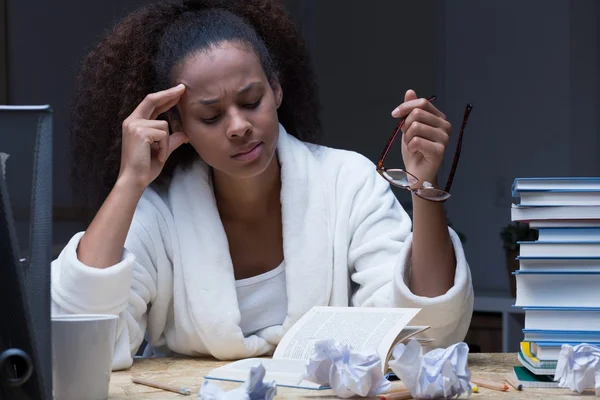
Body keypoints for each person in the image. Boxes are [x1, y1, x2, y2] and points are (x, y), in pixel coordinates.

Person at [51, 0, 474, 371]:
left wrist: (424, 185)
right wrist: (130, 182)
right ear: (176, 125)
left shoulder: (348, 182)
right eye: (211, 117)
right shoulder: (159, 213)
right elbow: (80, 345)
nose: (238, 127)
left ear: (276, 90)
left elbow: (426, 334)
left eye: (251, 102)